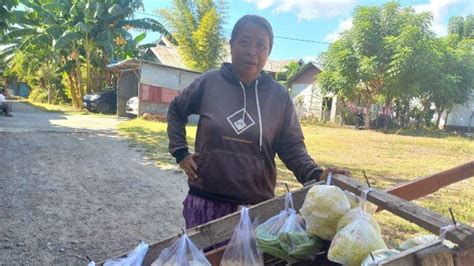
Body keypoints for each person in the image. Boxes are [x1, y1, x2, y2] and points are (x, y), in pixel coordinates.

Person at [167, 15, 350, 230]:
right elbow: (176, 110)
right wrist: (180, 152)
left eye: (261, 45)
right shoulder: (209, 82)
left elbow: (292, 147)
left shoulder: (278, 96)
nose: (251, 51)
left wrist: (316, 174)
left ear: (269, 52)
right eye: (244, 42)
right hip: (207, 199)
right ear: (232, 45)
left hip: (256, 208)